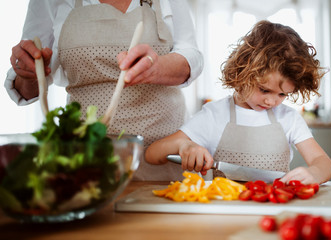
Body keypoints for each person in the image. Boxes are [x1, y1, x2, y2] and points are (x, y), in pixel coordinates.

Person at [4, 0, 203, 181]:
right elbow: (28, 87)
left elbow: (191, 55)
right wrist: (27, 73)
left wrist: (157, 67)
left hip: (165, 154)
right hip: (87, 161)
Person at [145, 20, 331, 184]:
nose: (271, 101)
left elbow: (322, 161)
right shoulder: (214, 115)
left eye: (282, 95)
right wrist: (183, 146)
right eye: (264, 90)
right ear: (242, 73)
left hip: (275, 210)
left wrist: (314, 172)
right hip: (223, 213)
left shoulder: (289, 119)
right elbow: (152, 154)